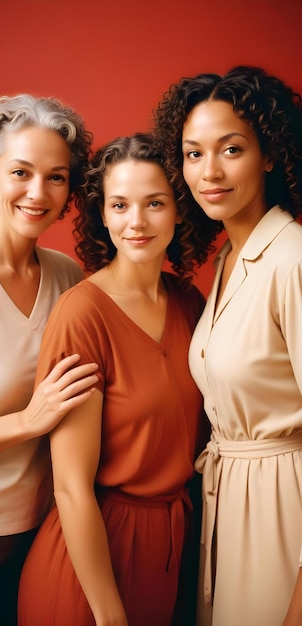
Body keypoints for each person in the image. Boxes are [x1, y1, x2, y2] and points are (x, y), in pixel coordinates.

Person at [18, 132, 207, 626]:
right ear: (103, 215)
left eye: (155, 203)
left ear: (179, 210)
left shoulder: (191, 304)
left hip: (171, 550)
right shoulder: (83, 313)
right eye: (120, 205)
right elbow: (71, 487)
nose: (137, 222)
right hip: (91, 563)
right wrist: (109, 616)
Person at [153, 65, 302, 626]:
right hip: (227, 504)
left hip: (286, 509)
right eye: (193, 154)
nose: (208, 172)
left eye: (231, 149)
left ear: (270, 153)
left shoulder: (292, 260)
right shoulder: (226, 262)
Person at [0, 94, 100, 626]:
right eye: (21, 172)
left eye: (57, 177)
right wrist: (28, 421)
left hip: (47, 533)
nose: (39, 193)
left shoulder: (68, 276)